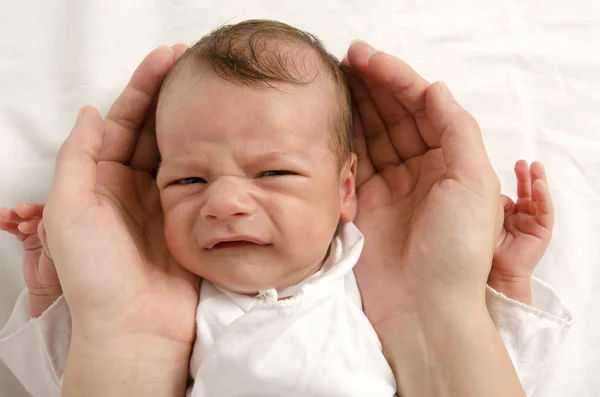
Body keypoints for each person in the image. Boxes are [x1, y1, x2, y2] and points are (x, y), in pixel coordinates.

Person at [0, 24, 571, 397]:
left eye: (273, 173)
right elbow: (57, 379)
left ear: (345, 188)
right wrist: (60, 295)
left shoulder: (370, 291)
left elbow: (505, 365)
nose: (223, 203)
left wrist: (496, 282)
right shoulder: (173, 308)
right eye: (188, 179)